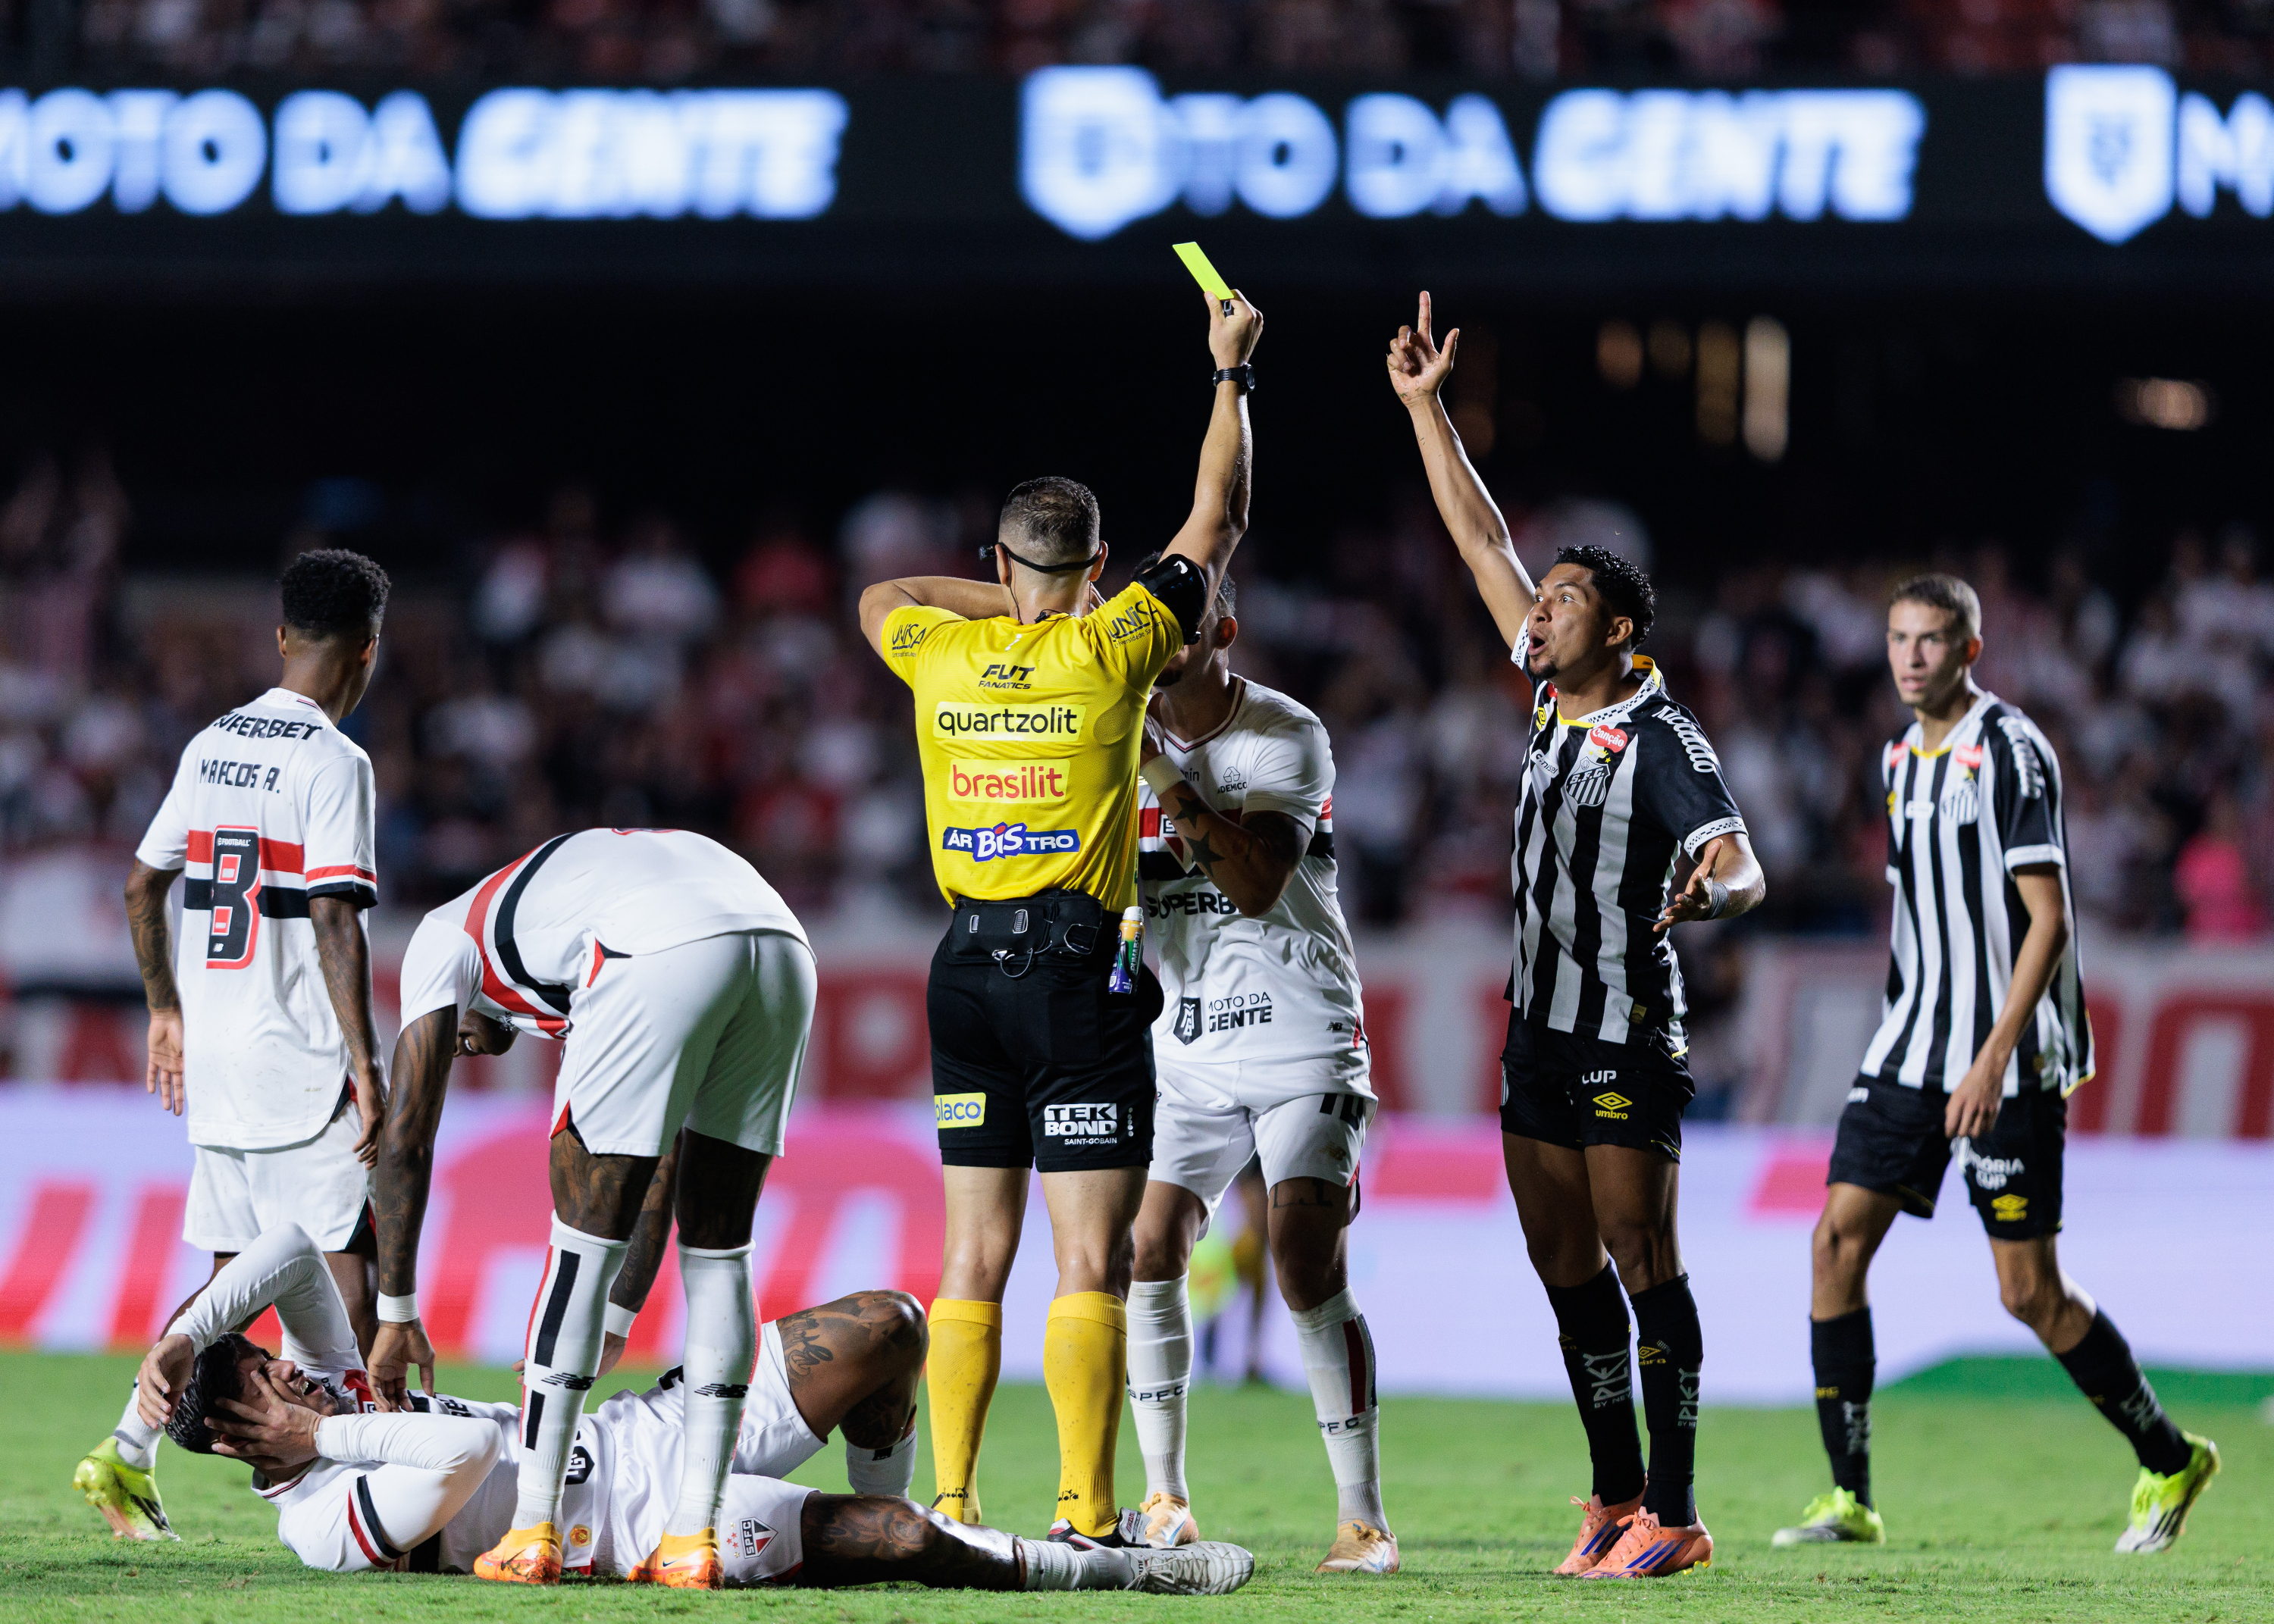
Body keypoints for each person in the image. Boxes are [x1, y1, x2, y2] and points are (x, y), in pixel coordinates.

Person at [856, 287, 1262, 1544]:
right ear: (1100, 565)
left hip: (964, 974)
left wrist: (1016, 596)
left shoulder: (934, 650)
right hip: (1077, 973)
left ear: (995, 565)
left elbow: (882, 592)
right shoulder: (1116, 644)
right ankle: (1085, 1507)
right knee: (1091, 1259)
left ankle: (952, 1499)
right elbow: (1217, 518)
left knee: (970, 1257)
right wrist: (1229, 374)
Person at [1388, 295, 1765, 1579]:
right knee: (1564, 1268)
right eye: (1540, 598)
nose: (1537, 609)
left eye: (1562, 600)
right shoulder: (1553, 698)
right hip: (1538, 1030)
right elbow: (1480, 534)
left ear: (1618, 630)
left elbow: (1740, 860)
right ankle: (1612, 1494)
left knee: (1642, 1257)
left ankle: (1679, 1507)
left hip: (1625, 1030)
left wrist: (1712, 894)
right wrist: (1429, 408)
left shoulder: (1660, 739)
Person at [1774, 574, 2220, 1554]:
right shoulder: (1897, 756)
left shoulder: (2009, 749)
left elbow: (2047, 919)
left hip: (2005, 1057)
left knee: (2028, 1292)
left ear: (1970, 650)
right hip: (1911, 1044)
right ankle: (1849, 1497)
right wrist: (1918, 1035)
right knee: (1835, 1243)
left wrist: (1989, 1058)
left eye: (1932, 640)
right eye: (1899, 638)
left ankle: (2169, 1454)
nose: (1911, 657)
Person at [130, 1222, 1254, 1594]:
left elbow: (290, 1247)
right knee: (907, 1541)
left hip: (656, 1426)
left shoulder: (326, 1393)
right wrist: (323, 1433)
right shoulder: (320, 1519)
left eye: (272, 1358)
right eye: (263, 1381)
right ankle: (1123, 1571)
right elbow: (467, 1446)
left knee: (894, 1323)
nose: (293, 1373)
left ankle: (919, 1537)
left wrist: (183, 1333)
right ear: (233, 1434)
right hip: (656, 1525)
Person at [364, 827, 816, 1588]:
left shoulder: (442, 934)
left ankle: (532, 1528)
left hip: (653, 945)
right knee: (721, 1250)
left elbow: (404, 1136)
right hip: (782, 941)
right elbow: (661, 1152)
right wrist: (617, 1318)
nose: (463, 1048)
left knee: (579, 1244)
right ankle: (691, 1538)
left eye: (461, 1041)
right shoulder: (558, 913)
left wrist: (397, 1310)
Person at [77, 549, 392, 1544]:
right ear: (368, 650)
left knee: (231, 1291)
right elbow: (335, 914)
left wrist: (165, 1010)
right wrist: (367, 1059)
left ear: (281, 636)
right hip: (298, 1063)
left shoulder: (211, 743)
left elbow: (142, 883)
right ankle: (368, 1490)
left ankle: (127, 1447)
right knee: (349, 1284)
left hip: (215, 1059)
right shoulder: (336, 761)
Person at [1120, 562, 1395, 1574]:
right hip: (1186, 1042)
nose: (1163, 648)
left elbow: (1257, 880)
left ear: (1221, 632)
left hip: (1302, 1030)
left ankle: (1364, 1519)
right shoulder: (1111, 741)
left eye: (1182, 629)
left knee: (1303, 1255)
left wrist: (1160, 774)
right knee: (1147, 1247)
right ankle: (1165, 1498)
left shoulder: (1283, 732)